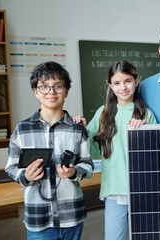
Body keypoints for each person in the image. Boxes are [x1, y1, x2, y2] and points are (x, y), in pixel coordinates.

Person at [5, 61, 94, 240]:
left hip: (72, 217)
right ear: (36, 91)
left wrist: (74, 172)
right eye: (44, 87)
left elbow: (88, 165)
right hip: (38, 218)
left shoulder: (77, 129)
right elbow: (11, 167)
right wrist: (26, 176)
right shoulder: (22, 129)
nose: (51, 92)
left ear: (66, 91)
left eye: (58, 86)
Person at [73, 61, 157, 240]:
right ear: (110, 85)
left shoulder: (147, 115)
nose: (123, 87)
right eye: (117, 83)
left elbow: (156, 155)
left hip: (142, 189)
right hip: (114, 189)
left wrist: (145, 131)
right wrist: (82, 131)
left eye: (127, 81)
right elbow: (94, 151)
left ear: (136, 81)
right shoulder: (102, 114)